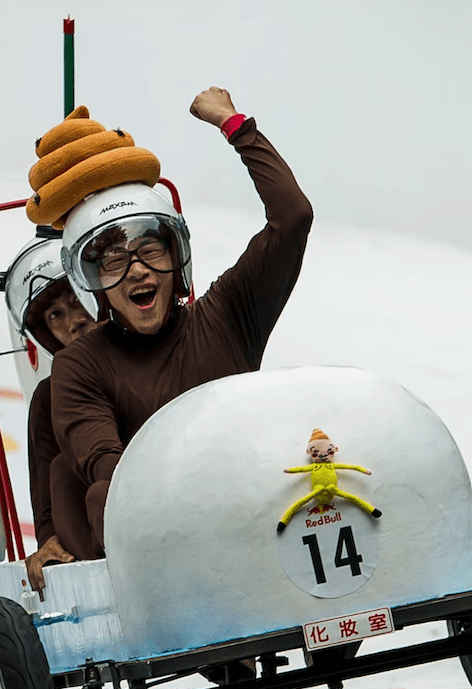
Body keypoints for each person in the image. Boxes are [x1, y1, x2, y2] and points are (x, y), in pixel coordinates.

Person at [48, 86, 314, 555]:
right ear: (92, 282)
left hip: (260, 516)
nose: (136, 268)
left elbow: (292, 217)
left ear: (177, 256)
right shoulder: (79, 366)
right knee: (102, 494)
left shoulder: (227, 316)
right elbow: (108, 469)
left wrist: (234, 126)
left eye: (149, 248)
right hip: (160, 545)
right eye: (112, 260)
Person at [3, 234, 99, 597]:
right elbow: (46, 502)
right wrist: (47, 545)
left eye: (77, 302)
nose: (73, 322)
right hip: (99, 540)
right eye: (56, 315)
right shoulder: (48, 397)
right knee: (62, 473)